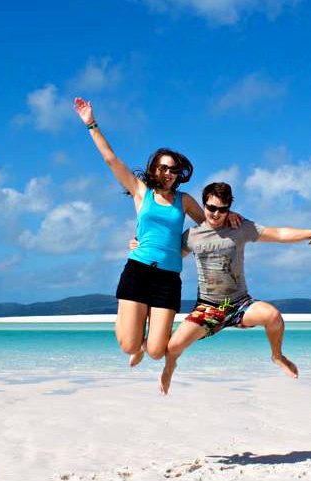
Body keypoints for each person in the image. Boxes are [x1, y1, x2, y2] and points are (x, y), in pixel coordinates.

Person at [73, 98, 239, 367]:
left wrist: (228, 213)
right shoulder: (142, 192)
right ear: (154, 169)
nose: (169, 173)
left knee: (157, 351)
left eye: (174, 169)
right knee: (128, 345)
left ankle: (146, 338)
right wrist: (91, 123)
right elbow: (110, 159)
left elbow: (209, 225)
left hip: (168, 279)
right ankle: (133, 339)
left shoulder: (183, 200)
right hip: (138, 271)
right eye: (164, 167)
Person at [156, 182, 311, 394]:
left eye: (222, 209)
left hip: (240, 303)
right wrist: (141, 246)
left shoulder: (239, 227)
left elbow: (278, 234)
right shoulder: (191, 236)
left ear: (229, 208)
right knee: (173, 347)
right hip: (209, 307)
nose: (215, 213)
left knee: (273, 316)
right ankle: (170, 368)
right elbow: (166, 254)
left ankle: (277, 356)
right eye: (211, 207)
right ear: (204, 205)